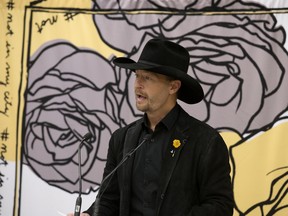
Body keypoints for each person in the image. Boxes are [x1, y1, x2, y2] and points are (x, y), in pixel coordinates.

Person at [68, 38, 234, 216]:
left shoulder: (206, 141)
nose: (138, 84)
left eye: (147, 78)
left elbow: (220, 207)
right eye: (137, 75)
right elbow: (109, 200)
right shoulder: (121, 139)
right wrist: (90, 214)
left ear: (173, 86)